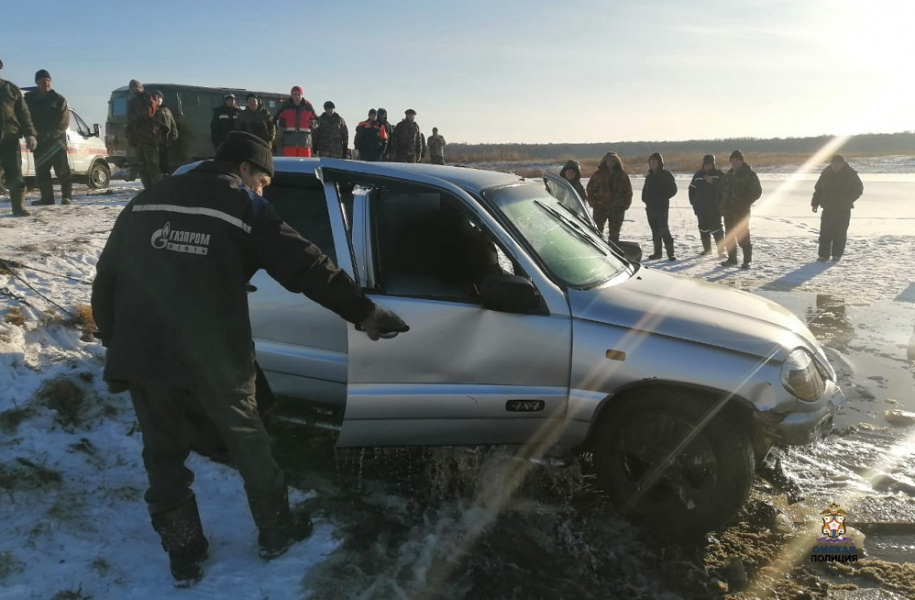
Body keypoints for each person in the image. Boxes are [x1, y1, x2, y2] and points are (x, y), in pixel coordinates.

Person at [91, 131, 409, 587]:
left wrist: (113, 339)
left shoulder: (149, 198)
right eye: (262, 181)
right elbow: (307, 264)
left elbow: (107, 276)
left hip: (144, 352)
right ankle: (277, 532)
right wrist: (365, 312)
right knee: (251, 443)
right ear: (243, 170)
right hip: (214, 354)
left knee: (162, 455)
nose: (263, 190)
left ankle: (184, 553)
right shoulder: (244, 205)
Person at [25, 69, 73, 206]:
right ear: (36, 82)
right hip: (39, 142)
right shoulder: (29, 99)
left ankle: (67, 197)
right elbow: (25, 118)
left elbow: (63, 122)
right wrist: (30, 134)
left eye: (47, 80)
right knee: (42, 173)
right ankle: (47, 198)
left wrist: (49, 134)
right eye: (42, 81)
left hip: (56, 142)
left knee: (63, 171)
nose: (45, 83)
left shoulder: (58, 99)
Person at [0, 58, 38, 216]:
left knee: (15, 173)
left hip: (10, 138)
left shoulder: (10, 89)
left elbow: (24, 113)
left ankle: (18, 206)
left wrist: (30, 133)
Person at [811, 154, 863, 262]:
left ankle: (836, 255)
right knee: (825, 233)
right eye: (834, 163)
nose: (836, 166)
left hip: (843, 209)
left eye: (838, 164)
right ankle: (823, 255)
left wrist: (847, 199)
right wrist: (815, 203)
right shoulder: (825, 174)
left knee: (840, 233)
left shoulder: (850, 174)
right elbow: (818, 190)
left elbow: (859, 189)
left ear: (843, 164)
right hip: (828, 208)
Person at [718, 149, 762, 268]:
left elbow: (757, 191)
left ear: (741, 161)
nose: (734, 163)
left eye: (736, 160)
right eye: (732, 161)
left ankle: (747, 261)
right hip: (728, 212)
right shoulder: (728, 175)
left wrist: (746, 201)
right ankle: (732, 259)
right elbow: (722, 191)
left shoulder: (749, 174)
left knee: (743, 236)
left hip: (741, 211)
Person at [585, 151, 633, 243]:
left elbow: (628, 191)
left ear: (616, 162)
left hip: (617, 207)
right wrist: (593, 202)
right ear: (605, 162)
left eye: (613, 161)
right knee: (597, 232)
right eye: (609, 161)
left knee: (614, 234)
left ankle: (613, 251)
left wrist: (625, 204)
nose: (611, 163)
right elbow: (590, 189)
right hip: (600, 207)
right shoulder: (598, 174)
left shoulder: (622, 175)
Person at [125, 79, 162, 189]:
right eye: (132, 89)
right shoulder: (132, 101)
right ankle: (148, 190)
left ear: (141, 88)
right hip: (138, 140)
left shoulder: (148, 98)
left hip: (149, 139)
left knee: (153, 168)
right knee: (141, 168)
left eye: (137, 88)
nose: (134, 91)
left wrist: (136, 101)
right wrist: (130, 136)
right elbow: (130, 121)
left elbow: (147, 114)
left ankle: (157, 190)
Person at [641, 152, 678, 260]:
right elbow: (645, 191)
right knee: (655, 231)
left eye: (654, 161)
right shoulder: (649, 177)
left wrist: (662, 197)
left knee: (663, 229)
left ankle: (671, 253)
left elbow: (673, 190)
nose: (652, 164)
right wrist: (645, 199)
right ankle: (657, 253)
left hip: (661, 207)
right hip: (650, 208)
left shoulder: (666, 175)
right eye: (651, 162)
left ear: (659, 163)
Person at [688, 154, 725, 257]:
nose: (707, 166)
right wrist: (694, 203)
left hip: (714, 208)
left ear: (713, 164)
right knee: (703, 229)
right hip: (701, 208)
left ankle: (721, 251)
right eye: (706, 164)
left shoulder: (719, 175)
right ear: (703, 164)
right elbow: (691, 190)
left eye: (710, 164)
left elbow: (725, 187)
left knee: (717, 229)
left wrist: (713, 181)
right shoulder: (698, 175)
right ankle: (707, 250)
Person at [275, 86, 318, 157]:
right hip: (289, 142)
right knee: (290, 165)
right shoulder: (286, 106)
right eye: (294, 94)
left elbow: (317, 121)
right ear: (291, 95)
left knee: (305, 165)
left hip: (304, 143)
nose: (297, 96)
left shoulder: (308, 106)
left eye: (299, 94)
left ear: (302, 95)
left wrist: (313, 123)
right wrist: (280, 122)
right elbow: (275, 119)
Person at [151, 90, 178, 176]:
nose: (159, 100)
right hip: (156, 141)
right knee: (157, 163)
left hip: (167, 141)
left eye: (160, 98)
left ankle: (166, 175)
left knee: (166, 162)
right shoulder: (152, 110)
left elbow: (173, 123)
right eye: (157, 98)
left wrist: (175, 133)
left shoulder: (166, 110)